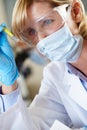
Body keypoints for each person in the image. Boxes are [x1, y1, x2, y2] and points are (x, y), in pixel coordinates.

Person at [0, 0, 87, 129]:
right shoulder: (55, 75)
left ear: (75, 11)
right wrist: (9, 83)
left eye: (47, 22)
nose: (41, 39)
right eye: (31, 32)